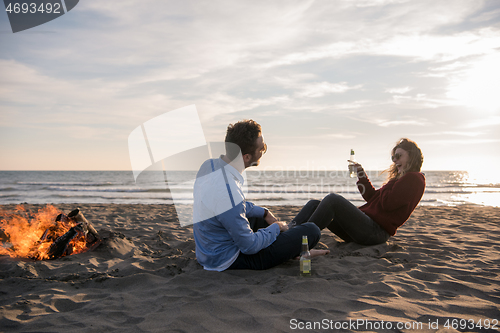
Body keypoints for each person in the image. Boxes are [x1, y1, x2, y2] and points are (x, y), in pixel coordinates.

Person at [192, 119, 329, 271]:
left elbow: (231, 207)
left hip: (208, 251)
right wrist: (276, 228)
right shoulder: (229, 191)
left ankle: (291, 243)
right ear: (247, 157)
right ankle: (297, 249)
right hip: (230, 260)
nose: (264, 151)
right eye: (262, 148)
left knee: (262, 220)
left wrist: (264, 212)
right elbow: (249, 246)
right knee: (312, 230)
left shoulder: (208, 166)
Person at [290, 138, 425, 245]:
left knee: (332, 200)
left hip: (375, 232)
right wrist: (361, 174)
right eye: (393, 157)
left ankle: (299, 241)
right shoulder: (402, 180)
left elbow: (387, 204)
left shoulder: (414, 179)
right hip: (363, 229)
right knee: (314, 204)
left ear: (411, 156)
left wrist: (392, 181)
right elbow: (372, 198)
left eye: (398, 156)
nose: (395, 160)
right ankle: (289, 233)